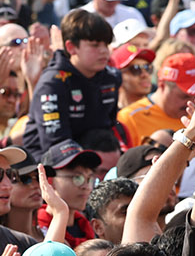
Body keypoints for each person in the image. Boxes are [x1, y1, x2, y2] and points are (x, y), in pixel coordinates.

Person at [22, 9, 121, 157]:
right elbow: (55, 146)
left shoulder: (111, 78)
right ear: (71, 47)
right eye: (95, 45)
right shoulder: (52, 84)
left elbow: (110, 127)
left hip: (97, 157)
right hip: (50, 162)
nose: (103, 51)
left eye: (106, 44)